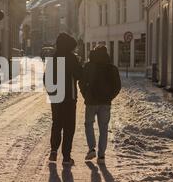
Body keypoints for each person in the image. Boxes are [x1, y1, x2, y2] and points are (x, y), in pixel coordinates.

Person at [80, 46, 121, 164]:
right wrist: (110, 97)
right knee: (103, 128)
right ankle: (101, 156)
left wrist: (86, 94)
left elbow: (81, 82)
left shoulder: (88, 66)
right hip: (105, 103)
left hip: (91, 102)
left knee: (89, 124)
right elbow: (117, 86)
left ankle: (91, 148)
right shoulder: (112, 68)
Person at [46, 33, 82, 166]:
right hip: (69, 97)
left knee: (56, 123)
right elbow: (79, 75)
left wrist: (51, 92)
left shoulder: (53, 58)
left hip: (56, 96)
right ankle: (66, 157)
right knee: (68, 126)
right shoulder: (72, 58)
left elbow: (46, 78)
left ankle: (53, 151)